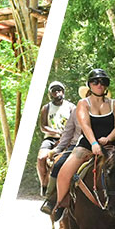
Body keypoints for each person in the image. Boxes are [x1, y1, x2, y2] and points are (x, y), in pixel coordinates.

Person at [52, 68, 115, 224]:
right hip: (87, 144)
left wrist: (108, 139)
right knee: (64, 171)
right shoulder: (83, 103)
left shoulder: (114, 103)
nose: (99, 85)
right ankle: (62, 204)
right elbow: (85, 125)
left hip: (113, 145)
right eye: (95, 82)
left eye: (103, 82)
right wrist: (94, 143)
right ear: (90, 85)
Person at [40, 85, 88, 214]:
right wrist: (58, 149)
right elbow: (67, 133)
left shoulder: (106, 109)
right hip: (77, 145)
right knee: (58, 165)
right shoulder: (76, 111)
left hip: (101, 146)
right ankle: (53, 200)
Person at [37, 81, 75, 196]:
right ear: (50, 94)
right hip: (50, 138)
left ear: (63, 92)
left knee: (57, 161)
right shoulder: (46, 108)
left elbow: (76, 124)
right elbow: (43, 126)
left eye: (59, 90)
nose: (57, 93)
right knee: (41, 158)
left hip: (66, 140)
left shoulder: (71, 107)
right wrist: (56, 132)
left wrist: (66, 135)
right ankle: (43, 184)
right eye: (54, 91)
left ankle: (51, 185)